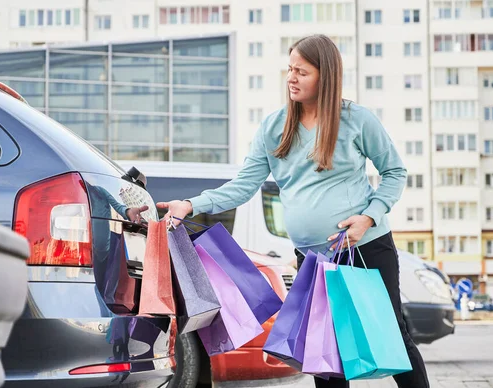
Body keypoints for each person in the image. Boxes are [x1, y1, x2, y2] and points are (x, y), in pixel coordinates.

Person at [157, 34, 429, 388]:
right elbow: (243, 186)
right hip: (313, 257)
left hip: (366, 248)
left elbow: (395, 172)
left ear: (325, 76)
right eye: (290, 69)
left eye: (302, 71)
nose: (292, 78)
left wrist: (369, 216)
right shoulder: (274, 127)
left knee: (393, 339)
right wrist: (191, 204)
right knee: (322, 352)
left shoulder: (357, 120)